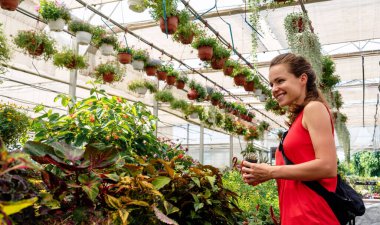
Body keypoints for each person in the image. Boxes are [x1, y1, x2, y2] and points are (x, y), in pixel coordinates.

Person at [241, 53, 339, 225]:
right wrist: (262, 175)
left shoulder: (314, 108)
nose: (273, 89)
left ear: (302, 79)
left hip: (313, 218)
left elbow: (327, 167)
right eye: (271, 84)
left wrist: (271, 171)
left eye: (280, 81)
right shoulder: (299, 119)